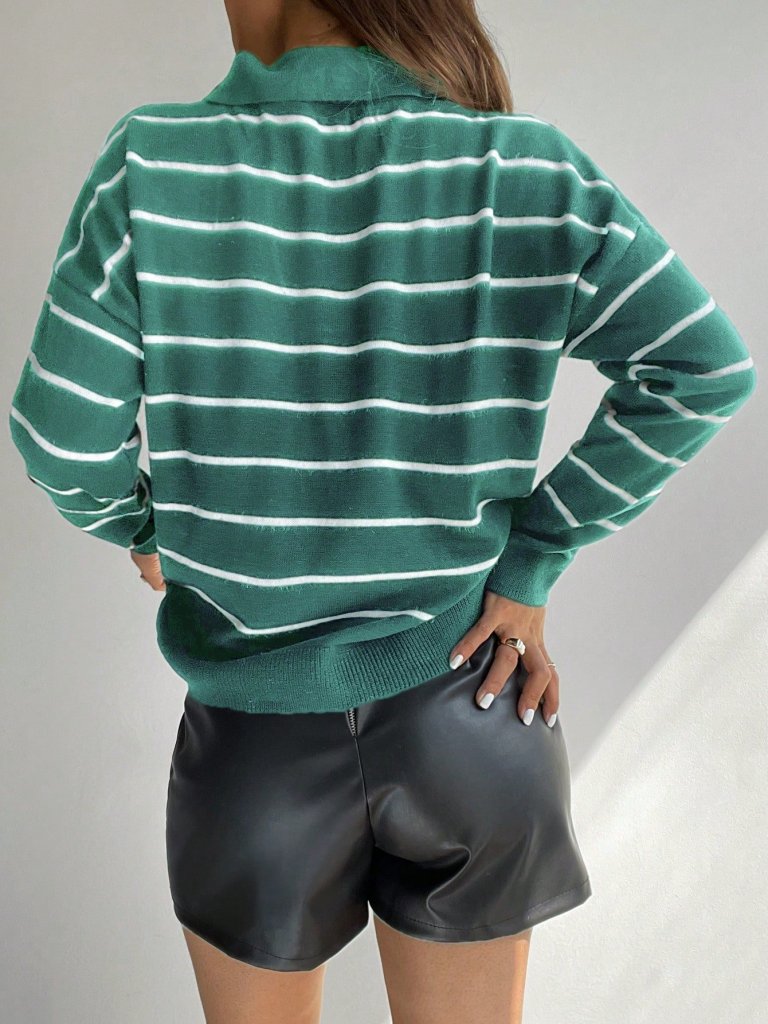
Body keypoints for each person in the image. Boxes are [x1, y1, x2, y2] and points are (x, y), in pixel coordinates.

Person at [8, 1, 757, 1021]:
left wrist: (140, 526)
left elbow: (57, 436)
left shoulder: (151, 166)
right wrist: (533, 557)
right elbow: (702, 369)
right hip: (474, 712)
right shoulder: (523, 165)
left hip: (252, 750)